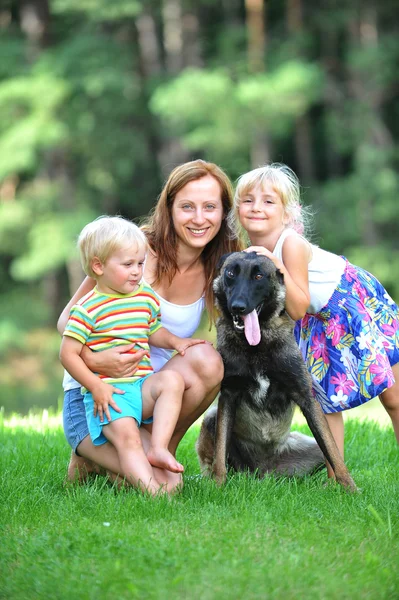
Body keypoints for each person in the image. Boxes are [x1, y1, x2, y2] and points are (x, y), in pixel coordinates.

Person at [58, 159, 242, 490]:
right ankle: (92, 454)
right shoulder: (131, 250)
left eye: (210, 207)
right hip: (101, 394)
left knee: (207, 360)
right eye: (187, 206)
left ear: (224, 212)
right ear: (169, 208)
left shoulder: (221, 264)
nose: (199, 218)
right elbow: (65, 324)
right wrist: (95, 360)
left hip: (148, 393)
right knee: (166, 488)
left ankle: (159, 450)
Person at [229, 162, 399, 479]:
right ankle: (337, 476)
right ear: (237, 208)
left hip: (351, 301)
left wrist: (275, 263)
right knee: (321, 400)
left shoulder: (289, 244)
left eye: (269, 201)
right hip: (318, 320)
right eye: (248, 200)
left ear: (287, 212)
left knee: (393, 396)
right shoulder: (250, 250)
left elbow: (297, 304)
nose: (257, 208)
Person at [60, 216, 207, 495]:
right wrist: (96, 386)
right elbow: (68, 354)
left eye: (140, 264)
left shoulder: (143, 297)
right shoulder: (87, 308)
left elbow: (153, 331)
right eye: (127, 265)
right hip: (108, 394)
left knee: (172, 381)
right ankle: (153, 495)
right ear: (98, 266)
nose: (136, 272)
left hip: (139, 387)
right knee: (132, 444)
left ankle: (161, 448)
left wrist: (176, 341)